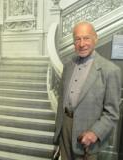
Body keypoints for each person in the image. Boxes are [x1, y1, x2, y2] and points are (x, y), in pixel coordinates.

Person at [53, 21, 121, 160]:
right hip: (65, 127)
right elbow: (61, 100)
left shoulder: (110, 70)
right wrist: (59, 129)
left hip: (87, 137)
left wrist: (95, 133)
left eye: (86, 38)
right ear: (74, 43)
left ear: (95, 38)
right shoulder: (68, 66)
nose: (82, 43)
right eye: (77, 39)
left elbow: (112, 113)